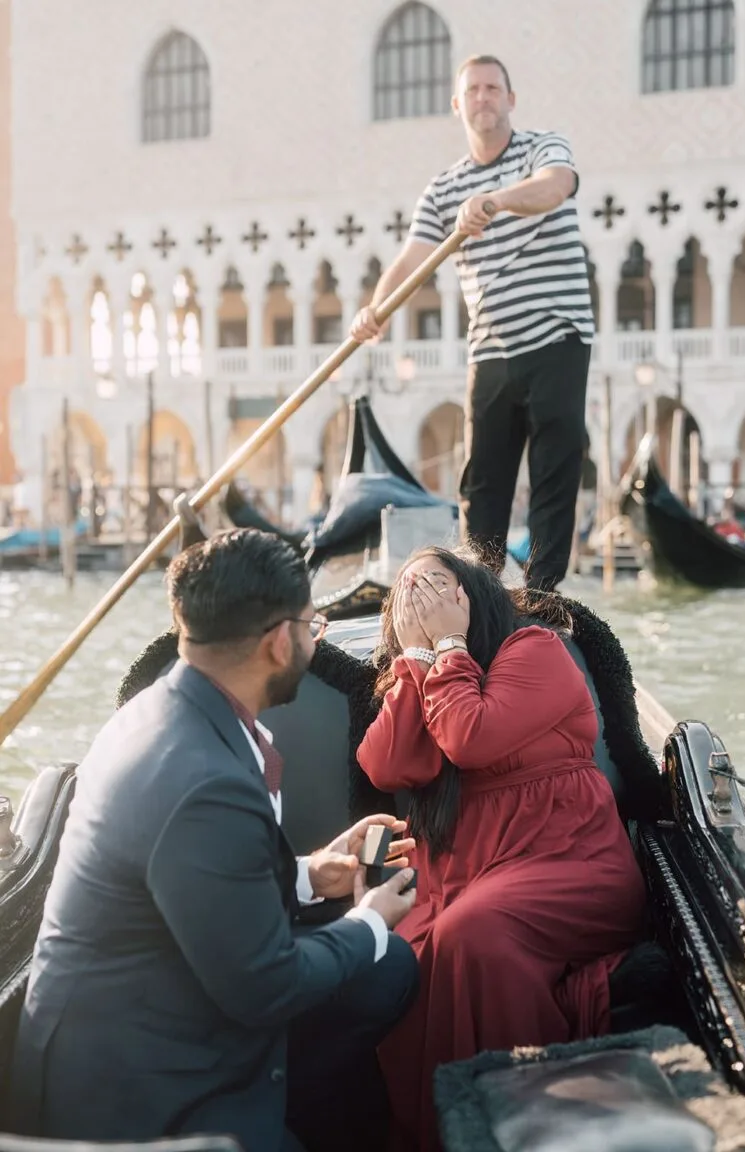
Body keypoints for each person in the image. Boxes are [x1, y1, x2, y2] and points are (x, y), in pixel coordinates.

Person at [11, 529, 419, 1152]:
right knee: (380, 953)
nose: (317, 639)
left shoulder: (159, 712)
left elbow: (198, 881)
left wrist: (311, 873)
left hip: (150, 1004)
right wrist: (367, 919)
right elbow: (267, 987)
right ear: (281, 642)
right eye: (314, 624)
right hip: (138, 1092)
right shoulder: (205, 781)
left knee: (386, 971)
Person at [357, 546, 647, 1151]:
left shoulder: (536, 650)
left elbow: (470, 738)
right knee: (401, 942)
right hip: (465, 867)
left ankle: (517, 1125)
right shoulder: (425, 672)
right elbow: (387, 764)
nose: (423, 601)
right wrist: (416, 657)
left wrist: (449, 648)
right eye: (409, 593)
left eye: (437, 587)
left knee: (474, 932)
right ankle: (438, 1129)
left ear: (474, 594)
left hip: (567, 858)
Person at [350, 55, 594, 590]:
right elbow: (413, 258)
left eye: (493, 88)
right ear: (457, 105)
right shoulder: (442, 189)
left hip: (558, 335)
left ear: (510, 99)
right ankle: (477, 596)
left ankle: (544, 601)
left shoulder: (542, 147)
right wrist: (377, 308)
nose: (483, 98)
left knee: (555, 474)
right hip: (490, 349)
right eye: (473, 91)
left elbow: (554, 187)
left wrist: (495, 201)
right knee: (481, 484)